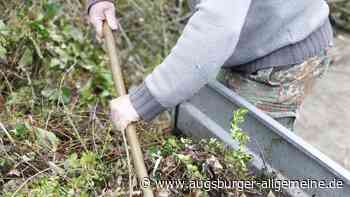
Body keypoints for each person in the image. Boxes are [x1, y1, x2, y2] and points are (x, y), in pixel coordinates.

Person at [87, 0, 333, 131]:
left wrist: (141, 101)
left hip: (282, 53)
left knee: (240, 170)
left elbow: (218, 27)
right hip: (243, 39)